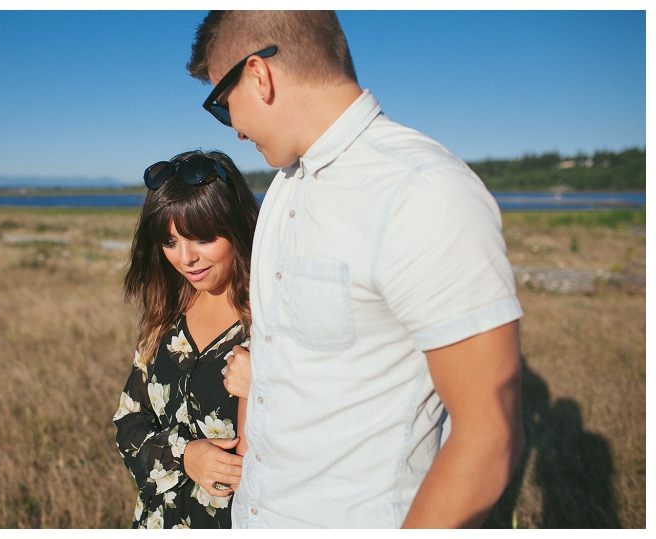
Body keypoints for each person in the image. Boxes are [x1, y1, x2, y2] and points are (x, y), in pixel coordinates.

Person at [187, 11, 526, 529]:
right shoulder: (284, 188)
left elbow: (491, 436)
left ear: (259, 75)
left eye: (221, 104)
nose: (232, 128)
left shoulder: (421, 191)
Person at [113, 150, 260, 529]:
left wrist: (266, 384)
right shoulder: (165, 313)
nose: (186, 258)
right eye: (169, 241)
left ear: (237, 227)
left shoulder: (269, 321)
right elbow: (129, 422)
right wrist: (183, 456)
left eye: (203, 238)